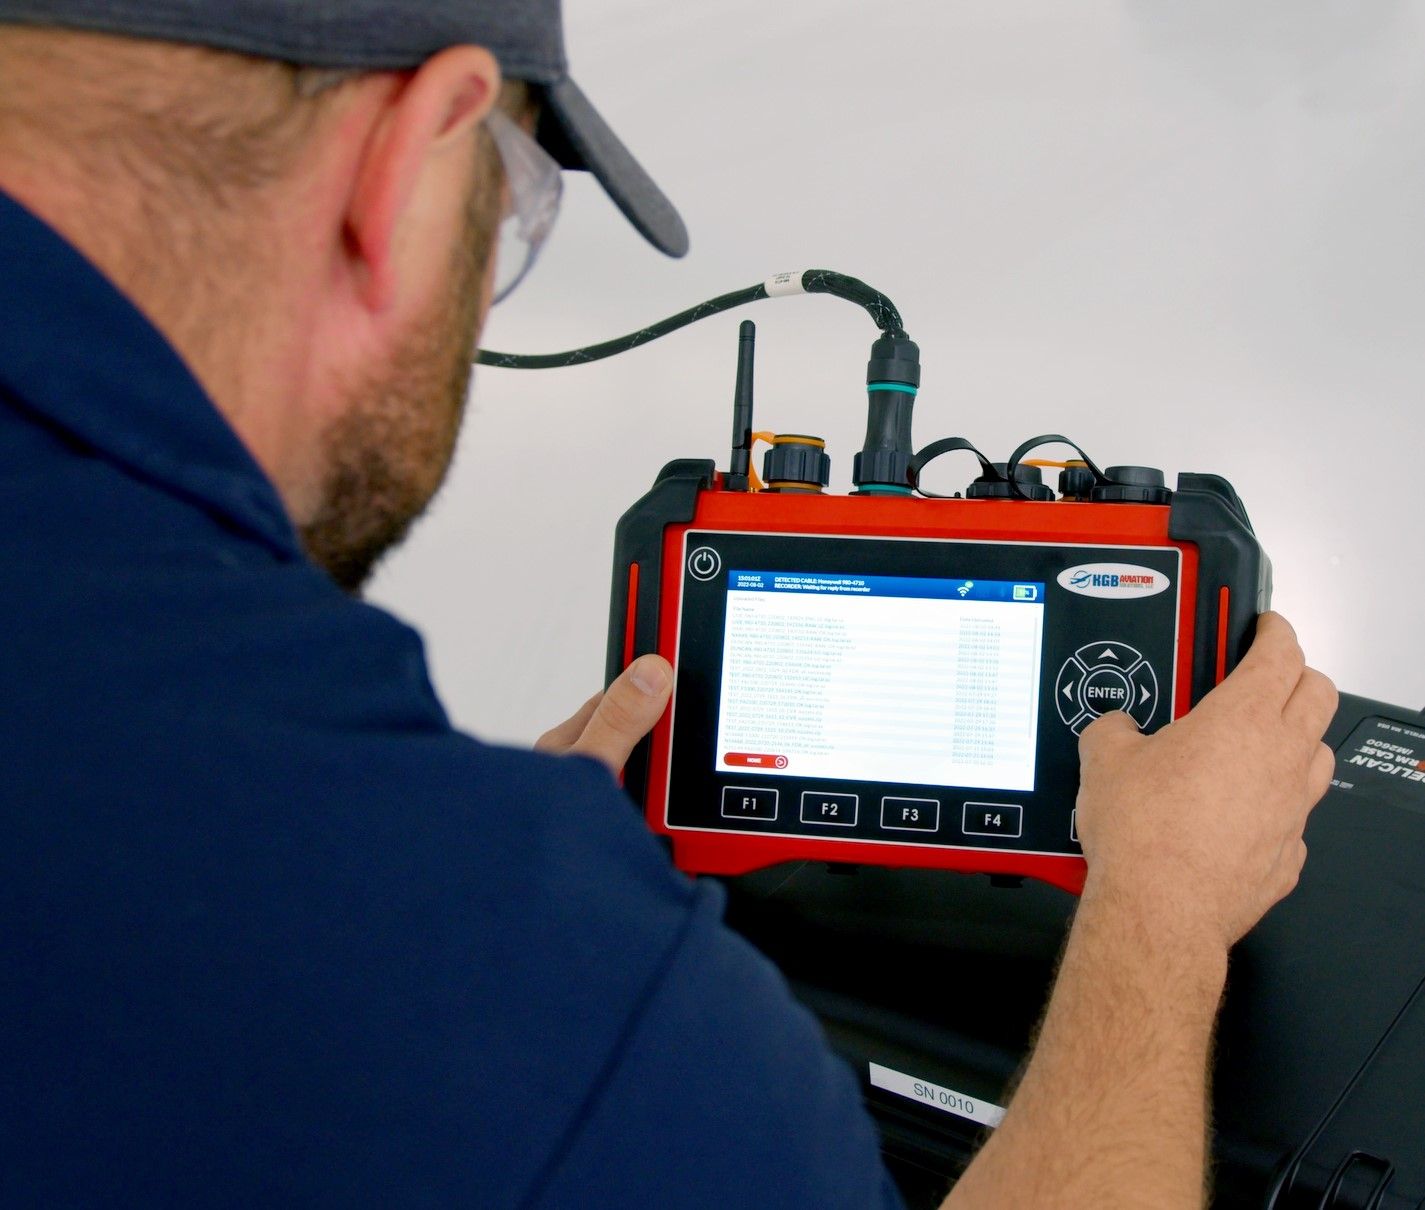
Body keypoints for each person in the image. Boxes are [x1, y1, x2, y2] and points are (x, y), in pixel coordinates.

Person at [0, 3, 1336, 1207]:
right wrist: (1160, 912)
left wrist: (477, 870)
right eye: (511, 208)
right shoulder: (549, 1007)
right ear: (406, 161)